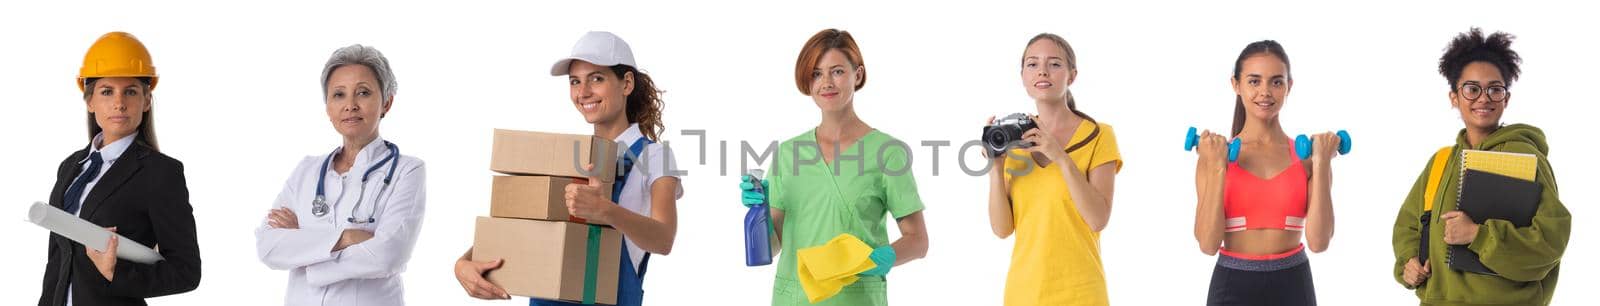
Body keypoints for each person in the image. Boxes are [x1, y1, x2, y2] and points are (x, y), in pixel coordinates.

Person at [454, 31, 683, 306]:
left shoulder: (656, 156)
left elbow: (663, 239)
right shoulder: (569, 153)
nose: (583, 92)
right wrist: (464, 263)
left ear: (627, 84)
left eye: (596, 78)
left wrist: (604, 210)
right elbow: (531, 224)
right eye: (575, 81)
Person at [739, 28, 930, 306]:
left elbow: (918, 241)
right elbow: (773, 246)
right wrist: (760, 213)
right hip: (794, 298)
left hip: (856, 298)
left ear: (858, 75)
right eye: (816, 73)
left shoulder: (888, 153)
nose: (826, 82)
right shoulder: (788, 154)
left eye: (837, 71)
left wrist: (880, 259)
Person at [1390, 27, 1570, 306]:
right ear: (1454, 97)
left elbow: (1550, 241)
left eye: (1494, 89)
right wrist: (1408, 264)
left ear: (1506, 98)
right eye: (1472, 89)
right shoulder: (1440, 162)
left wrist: (1478, 235)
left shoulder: (1524, 157)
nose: (1483, 98)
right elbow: (1409, 225)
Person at [253, 44, 426, 306]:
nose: (350, 106)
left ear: (386, 103)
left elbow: (389, 255)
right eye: (338, 95)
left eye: (363, 93)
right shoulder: (306, 171)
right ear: (328, 107)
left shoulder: (407, 170)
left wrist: (306, 250)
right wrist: (345, 238)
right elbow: (268, 247)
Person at [38, 31, 202, 306]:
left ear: (146, 101)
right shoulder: (71, 167)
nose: (119, 103)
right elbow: (58, 258)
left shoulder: (160, 173)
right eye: (106, 91)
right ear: (90, 101)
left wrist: (114, 271)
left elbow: (186, 272)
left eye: (130, 91)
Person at [1192, 40, 1340, 306]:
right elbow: (1208, 244)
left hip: (1293, 283)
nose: (1265, 92)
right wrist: (1217, 167)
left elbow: (1318, 242)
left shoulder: (1307, 158)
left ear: (1289, 86)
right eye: (1254, 81)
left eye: (1276, 82)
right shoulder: (1215, 157)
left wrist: (1322, 162)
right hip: (1232, 284)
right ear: (1236, 85)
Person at [985, 33, 1122, 306]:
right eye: (1032, 64)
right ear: (1023, 76)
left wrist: (1059, 156)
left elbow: (1098, 219)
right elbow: (1002, 229)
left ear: (1072, 76)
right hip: (1024, 294)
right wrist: (995, 166)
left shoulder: (1099, 135)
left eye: (1055, 64)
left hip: (1082, 293)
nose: (1043, 71)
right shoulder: (1011, 140)